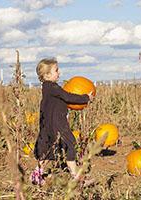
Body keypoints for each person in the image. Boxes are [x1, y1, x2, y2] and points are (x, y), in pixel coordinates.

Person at [31, 57, 94, 185]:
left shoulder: (47, 87)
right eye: (56, 70)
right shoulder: (53, 87)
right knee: (70, 144)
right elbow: (68, 96)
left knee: (50, 150)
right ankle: (76, 178)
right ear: (47, 75)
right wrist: (85, 98)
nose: (59, 72)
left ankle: (36, 175)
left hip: (49, 123)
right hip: (57, 124)